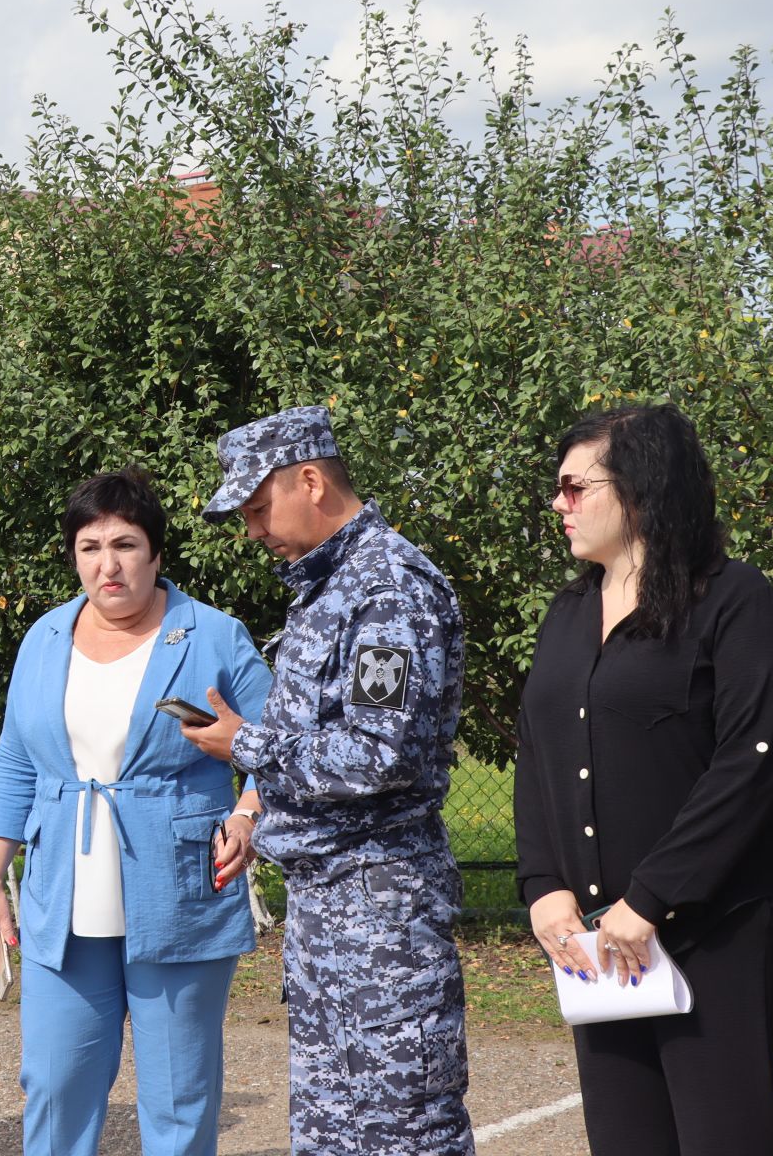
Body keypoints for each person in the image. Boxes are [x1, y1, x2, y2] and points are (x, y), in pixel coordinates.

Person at [181, 405, 475, 1155]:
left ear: (309, 480)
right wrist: (256, 805)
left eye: (256, 507)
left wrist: (244, 747)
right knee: (333, 1136)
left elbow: (381, 755)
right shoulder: (325, 586)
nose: (252, 530)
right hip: (329, 910)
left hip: (382, 920)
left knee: (404, 1132)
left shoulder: (388, 588)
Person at [514, 404, 773, 1155]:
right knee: (625, 1139)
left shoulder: (736, 602)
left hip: (718, 928)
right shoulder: (568, 612)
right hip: (599, 941)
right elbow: (537, 753)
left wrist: (652, 897)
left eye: (576, 487)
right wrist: (543, 885)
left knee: (724, 1138)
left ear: (640, 489)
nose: (559, 505)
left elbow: (752, 762)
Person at [0, 469, 272, 1155]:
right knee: (54, 1082)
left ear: (157, 555)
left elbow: (276, 746)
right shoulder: (44, 638)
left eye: (126, 545)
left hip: (179, 894)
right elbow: (18, 761)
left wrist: (249, 813)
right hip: (63, 903)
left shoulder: (214, 636)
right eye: (90, 546)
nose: (108, 565)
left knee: (177, 1097)